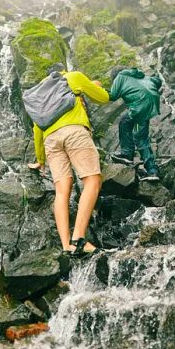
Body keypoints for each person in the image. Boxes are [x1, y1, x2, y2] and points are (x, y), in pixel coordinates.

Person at [27, 63, 109, 255]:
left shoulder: (41, 95)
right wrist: (93, 86)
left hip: (50, 141)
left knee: (62, 191)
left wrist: (40, 159)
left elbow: (37, 129)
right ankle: (79, 238)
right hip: (74, 132)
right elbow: (103, 98)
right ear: (62, 70)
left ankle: (66, 245)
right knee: (92, 180)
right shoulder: (73, 77)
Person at [108, 66, 162, 181]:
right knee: (138, 134)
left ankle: (127, 155)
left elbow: (112, 95)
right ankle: (152, 171)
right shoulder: (140, 76)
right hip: (150, 104)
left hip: (139, 106)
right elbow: (157, 81)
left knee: (127, 124)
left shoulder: (120, 76)